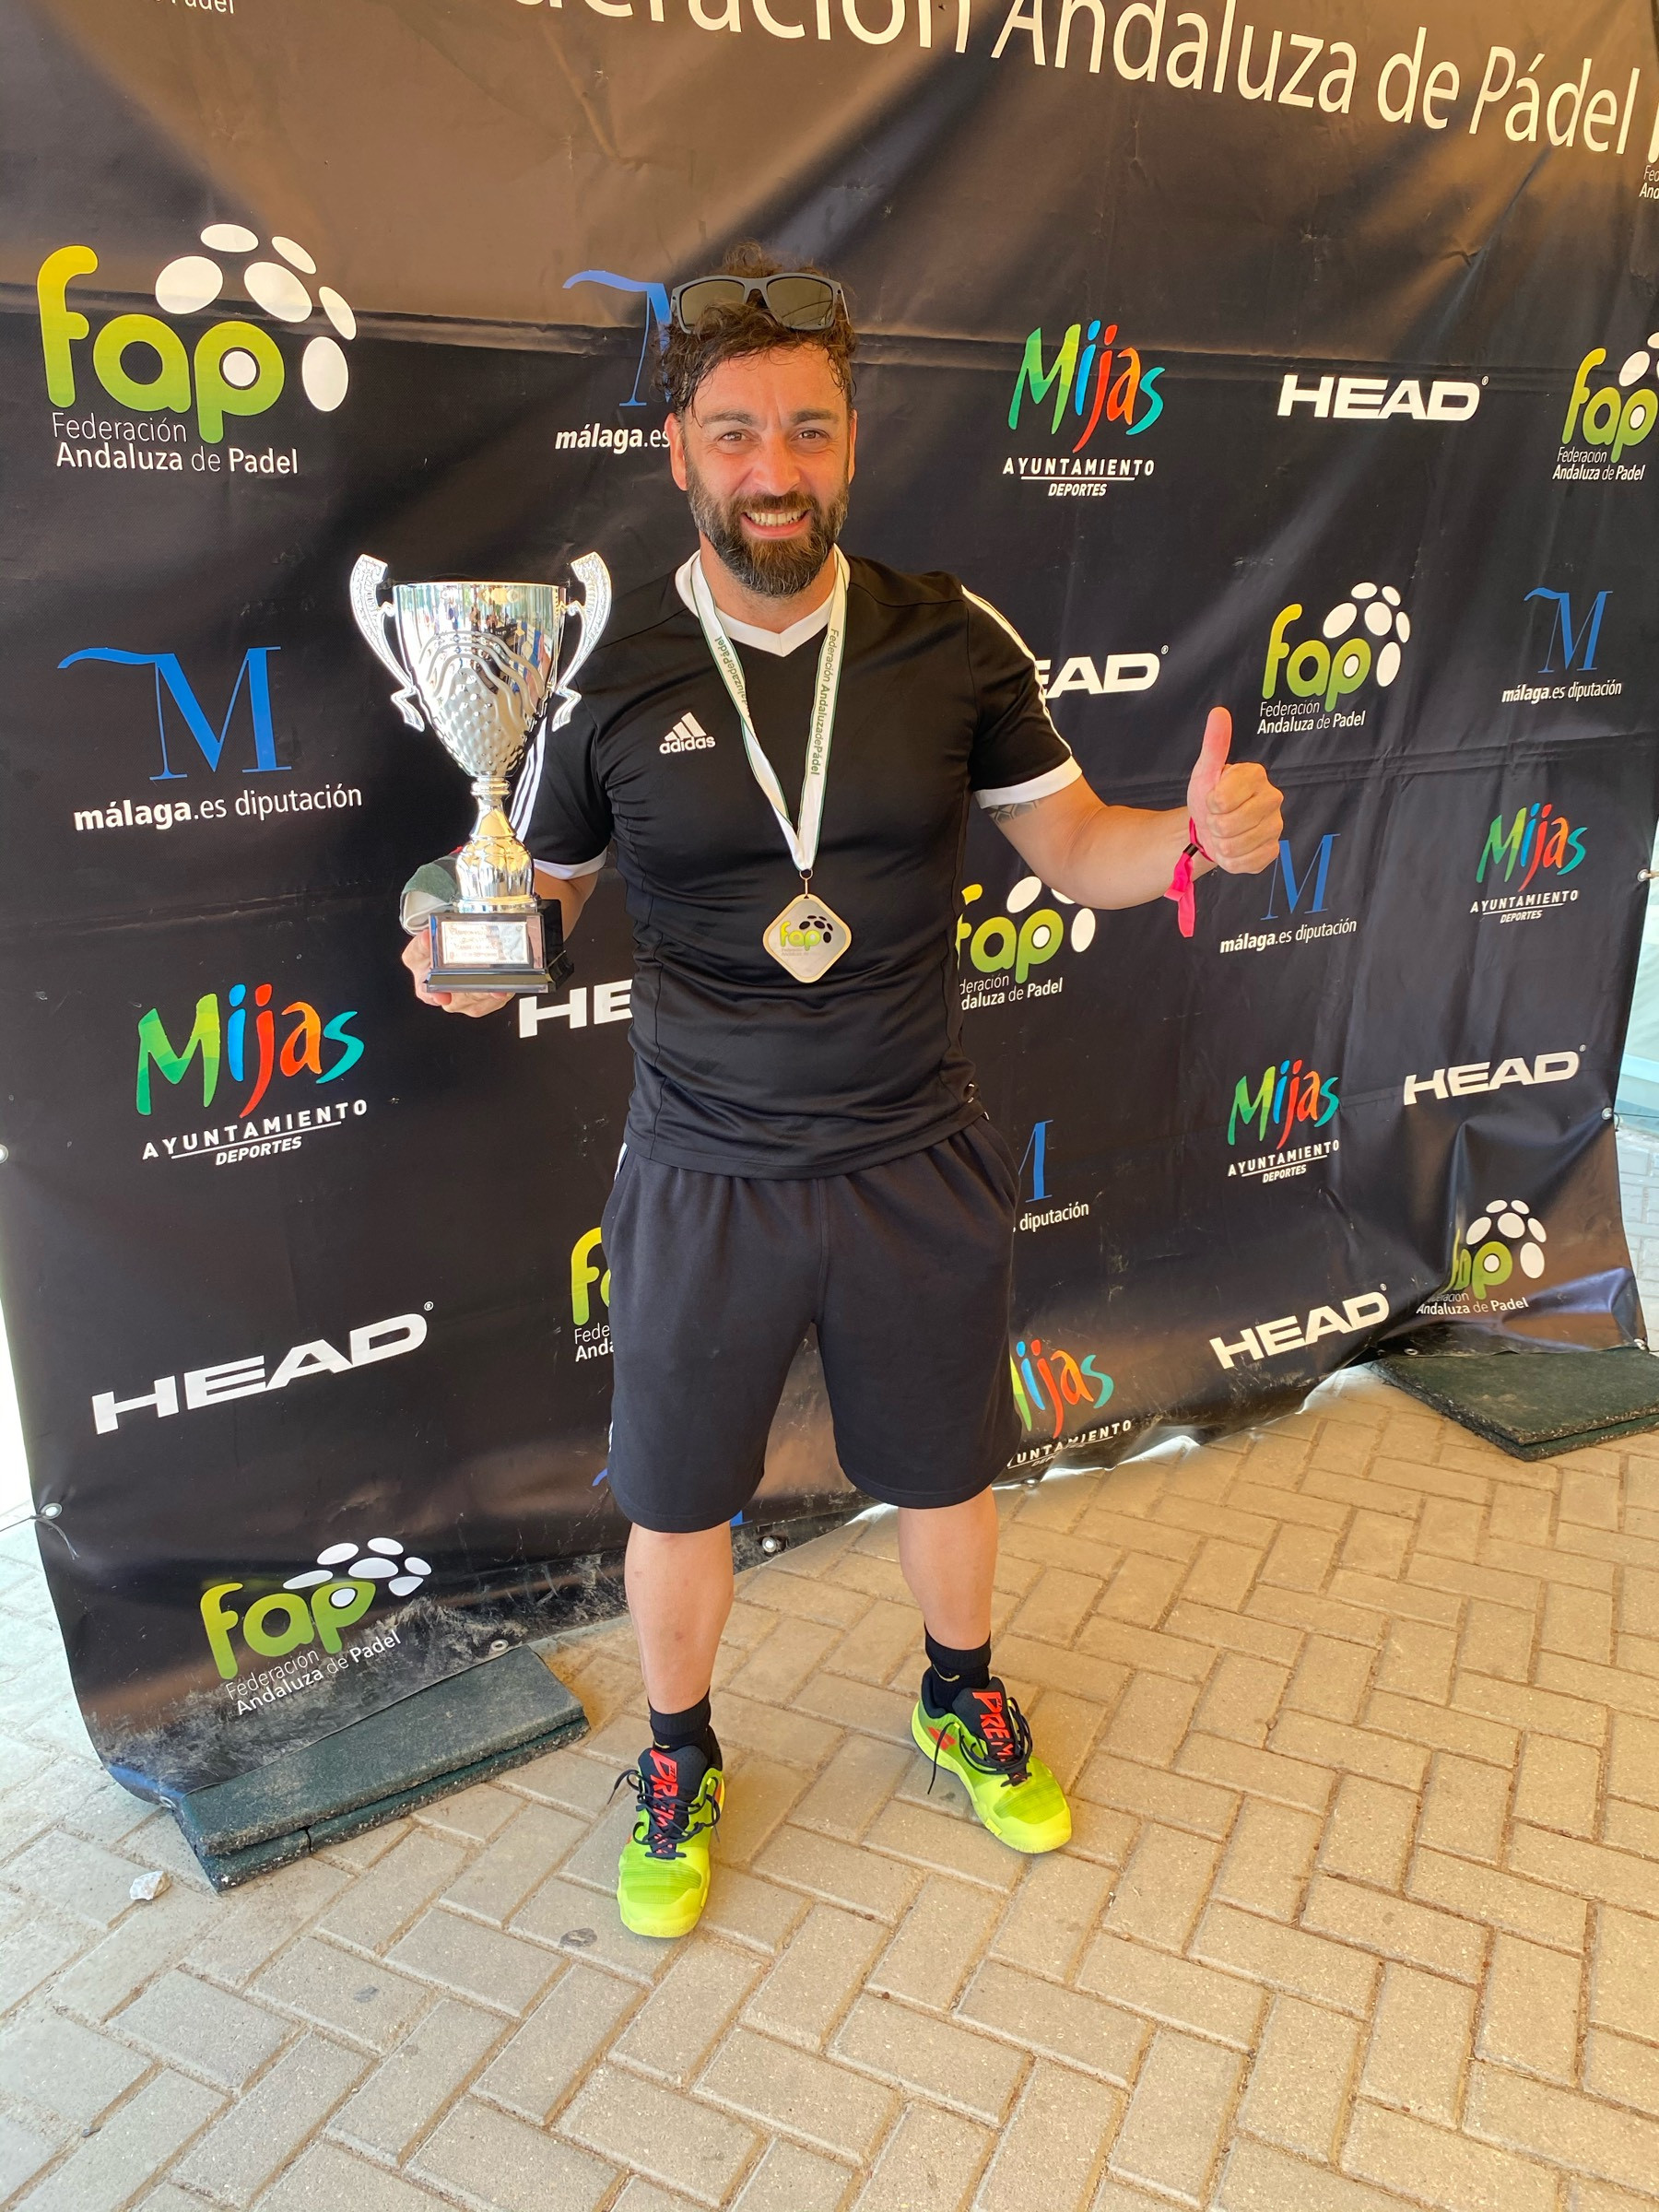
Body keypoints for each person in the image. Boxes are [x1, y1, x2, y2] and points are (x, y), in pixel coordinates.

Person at [402, 244, 1284, 1939]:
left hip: (911, 1150)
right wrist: (474, 937)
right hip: (703, 1169)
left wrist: (1193, 839)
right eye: (735, 433)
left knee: (945, 1470)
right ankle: (677, 1754)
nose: (774, 470)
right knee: (678, 1496)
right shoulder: (604, 666)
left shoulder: (950, 637)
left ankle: (959, 1693)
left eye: (808, 430)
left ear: (853, 445)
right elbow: (545, 895)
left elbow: (1075, 842)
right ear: (679, 449)